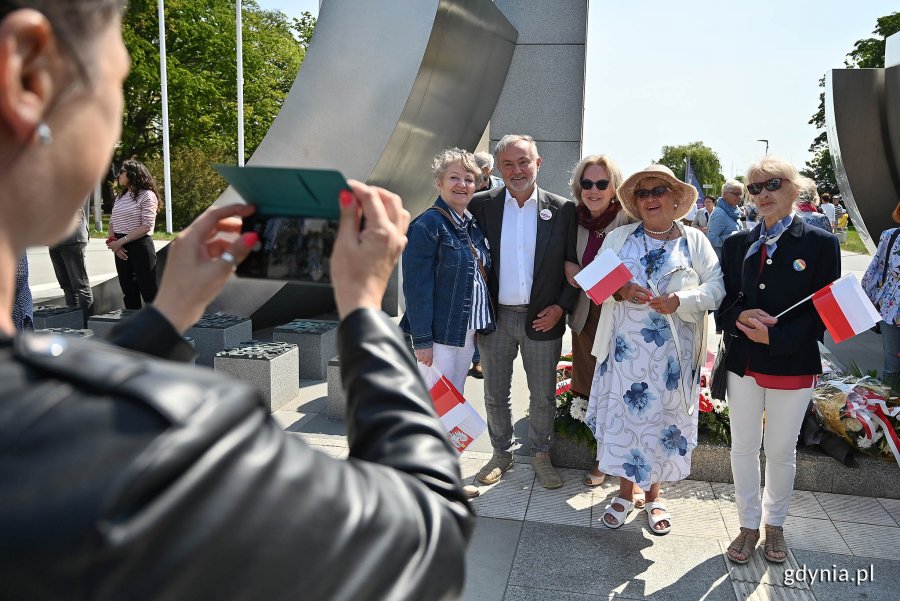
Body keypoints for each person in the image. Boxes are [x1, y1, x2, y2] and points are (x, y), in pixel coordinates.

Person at [0, 3, 473, 599]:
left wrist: (164, 317)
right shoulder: (177, 441)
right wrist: (363, 309)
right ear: (27, 76)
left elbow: (60, 412)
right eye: (116, 78)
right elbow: (427, 540)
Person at [585, 164, 724, 534]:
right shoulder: (620, 238)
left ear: (676, 198)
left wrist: (681, 299)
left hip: (671, 360)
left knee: (663, 421)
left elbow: (716, 288)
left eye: (658, 191)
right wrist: (622, 290)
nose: (650, 199)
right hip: (624, 356)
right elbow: (593, 282)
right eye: (643, 193)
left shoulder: (695, 242)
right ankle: (624, 494)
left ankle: (654, 496)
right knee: (627, 422)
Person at [717, 158, 840, 565]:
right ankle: (748, 524)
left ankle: (774, 524)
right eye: (754, 188)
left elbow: (824, 311)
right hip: (745, 363)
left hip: (793, 363)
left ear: (794, 187)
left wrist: (778, 335)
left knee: (782, 450)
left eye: (773, 183)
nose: (763, 193)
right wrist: (738, 316)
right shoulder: (737, 244)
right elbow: (723, 305)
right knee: (743, 447)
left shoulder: (822, 244)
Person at [467, 134, 578, 490]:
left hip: (543, 317)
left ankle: (541, 455)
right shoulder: (480, 205)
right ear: (498, 168)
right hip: (495, 318)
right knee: (495, 393)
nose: (517, 170)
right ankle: (501, 453)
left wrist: (561, 308)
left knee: (543, 394)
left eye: (524, 162)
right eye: (509, 164)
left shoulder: (562, 209)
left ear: (538, 163)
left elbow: (572, 266)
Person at [561, 155, 632, 487]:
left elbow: (624, 277)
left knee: (618, 388)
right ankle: (600, 453)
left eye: (602, 183)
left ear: (614, 186)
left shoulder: (629, 220)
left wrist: (581, 274)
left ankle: (611, 460)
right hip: (586, 317)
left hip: (621, 320)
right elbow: (563, 257)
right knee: (591, 388)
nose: (593, 190)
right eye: (587, 183)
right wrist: (567, 266)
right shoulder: (572, 219)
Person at [400, 147, 493, 395]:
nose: (462, 184)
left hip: (465, 333)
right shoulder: (427, 226)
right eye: (454, 177)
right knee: (437, 405)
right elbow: (416, 289)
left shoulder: (471, 225)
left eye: (469, 179)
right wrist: (422, 342)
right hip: (439, 338)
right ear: (439, 182)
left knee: (454, 401)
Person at [107, 158, 160, 308]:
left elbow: (147, 226)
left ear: (133, 174)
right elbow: (112, 221)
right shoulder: (121, 196)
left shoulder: (147, 195)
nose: (119, 175)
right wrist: (114, 243)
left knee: (148, 291)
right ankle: (132, 327)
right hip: (121, 247)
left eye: (121, 172)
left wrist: (121, 242)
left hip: (140, 246)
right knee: (128, 292)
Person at [470, 150, 502, 378]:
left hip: (496, 250)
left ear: (489, 171)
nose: (477, 181)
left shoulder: (500, 187)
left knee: (488, 307)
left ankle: (482, 358)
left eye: (481, 175)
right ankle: (476, 360)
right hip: (473, 250)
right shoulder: (466, 185)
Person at [861, 201, 900, 385]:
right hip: (893, 312)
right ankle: (892, 410)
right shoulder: (891, 236)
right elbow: (875, 271)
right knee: (893, 366)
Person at [49, 197, 93, 325]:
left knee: (81, 286)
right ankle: (74, 323)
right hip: (54, 239)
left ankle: (86, 324)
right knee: (67, 286)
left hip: (73, 238)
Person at [707, 179, 745, 260]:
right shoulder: (719, 214)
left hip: (733, 259)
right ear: (725, 195)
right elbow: (711, 239)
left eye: (740, 194)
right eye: (736, 194)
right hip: (722, 262)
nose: (739, 197)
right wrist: (733, 238)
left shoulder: (735, 211)